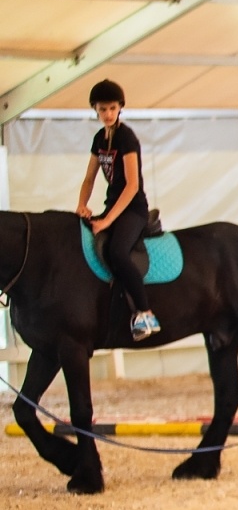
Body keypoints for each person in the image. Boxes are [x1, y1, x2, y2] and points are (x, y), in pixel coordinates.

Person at [76, 79, 160, 340]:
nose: (108, 114)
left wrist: (108, 220)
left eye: (112, 108)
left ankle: (145, 313)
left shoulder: (126, 137)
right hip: (112, 206)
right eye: (103, 109)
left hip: (132, 209)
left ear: (120, 108)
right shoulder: (99, 139)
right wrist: (81, 205)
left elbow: (133, 185)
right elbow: (89, 178)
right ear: (95, 110)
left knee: (117, 252)